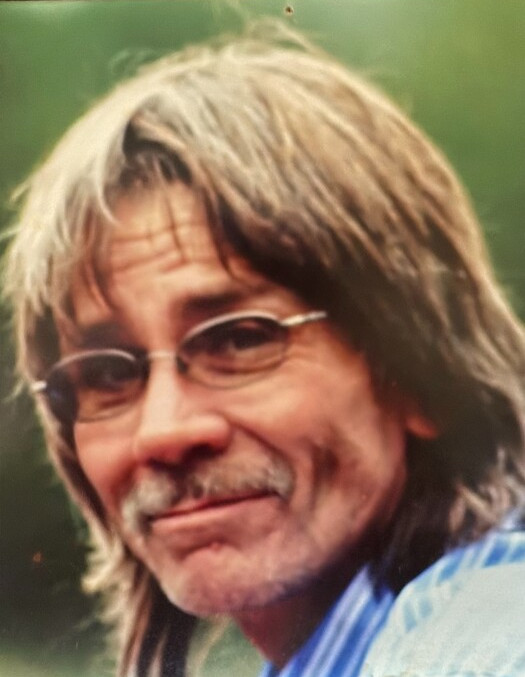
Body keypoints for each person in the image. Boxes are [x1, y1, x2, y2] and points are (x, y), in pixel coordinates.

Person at [3, 20, 525, 677]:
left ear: (422, 373)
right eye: (107, 374)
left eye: (239, 338)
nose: (163, 432)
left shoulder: (482, 626)